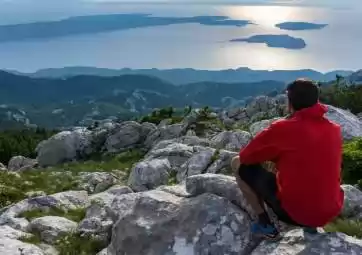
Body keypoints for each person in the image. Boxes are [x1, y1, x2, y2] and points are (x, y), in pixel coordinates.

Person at [231, 78, 344, 240]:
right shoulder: (334, 129)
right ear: (316, 100)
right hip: (329, 211)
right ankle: (312, 228)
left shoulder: (283, 128)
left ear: (290, 103)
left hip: (296, 214)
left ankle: (265, 225)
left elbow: (246, 156)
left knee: (236, 162)